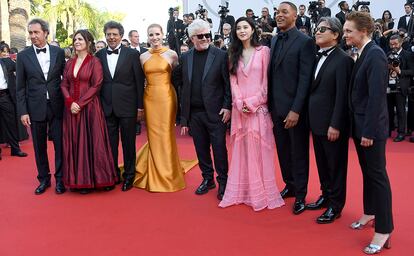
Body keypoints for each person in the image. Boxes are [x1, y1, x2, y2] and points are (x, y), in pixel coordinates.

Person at [218, 17, 284, 211]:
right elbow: (233, 82)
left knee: (260, 151)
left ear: (253, 29)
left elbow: (266, 83)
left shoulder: (264, 52)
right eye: (238, 28)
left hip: (258, 109)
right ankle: (242, 191)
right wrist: (239, 103)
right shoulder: (232, 53)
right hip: (240, 111)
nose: (241, 30)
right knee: (242, 150)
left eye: (245, 27)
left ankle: (261, 194)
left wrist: (252, 103)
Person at [344, 11, 393, 254]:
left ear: (363, 31)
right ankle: (370, 212)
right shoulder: (363, 53)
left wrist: (369, 131)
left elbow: (376, 98)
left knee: (377, 177)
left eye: (348, 31)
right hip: (360, 125)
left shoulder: (375, 55)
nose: (345, 35)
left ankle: (384, 229)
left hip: (370, 128)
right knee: (367, 173)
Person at [132, 24, 197, 192]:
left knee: (166, 133)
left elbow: (178, 77)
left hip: (167, 97)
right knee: (153, 134)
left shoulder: (172, 54)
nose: (154, 37)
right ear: (147, 37)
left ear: (162, 35)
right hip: (149, 98)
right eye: (151, 34)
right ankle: (153, 170)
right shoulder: (143, 57)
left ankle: (168, 172)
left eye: (157, 34)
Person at [173, 19, 231, 200]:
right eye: (201, 36)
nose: (206, 38)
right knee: (201, 149)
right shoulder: (185, 57)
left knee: (219, 148)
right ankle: (208, 179)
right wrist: (184, 116)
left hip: (215, 112)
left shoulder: (221, 55)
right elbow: (178, 83)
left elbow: (228, 84)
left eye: (208, 35)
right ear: (192, 38)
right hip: (195, 113)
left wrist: (227, 106)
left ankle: (223, 182)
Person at [268, 2, 316, 214]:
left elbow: (305, 79)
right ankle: (290, 184)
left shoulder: (305, 42)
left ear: (295, 16)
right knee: (283, 151)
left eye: (284, 12)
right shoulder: (275, 39)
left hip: (294, 111)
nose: (279, 15)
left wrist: (296, 110)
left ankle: (301, 194)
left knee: (298, 153)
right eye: (277, 12)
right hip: (276, 108)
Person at [307, 17, 353, 224]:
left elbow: (342, 96)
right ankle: (325, 196)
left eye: (322, 29)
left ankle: (336, 205)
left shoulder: (343, 60)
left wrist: (336, 124)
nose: (317, 32)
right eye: (317, 29)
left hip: (332, 125)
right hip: (316, 122)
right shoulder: (317, 57)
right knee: (323, 164)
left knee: (336, 166)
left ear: (335, 34)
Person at [60, 29, 118, 194]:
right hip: (71, 109)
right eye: (75, 39)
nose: (76, 42)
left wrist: (80, 103)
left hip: (90, 108)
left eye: (80, 39)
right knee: (76, 142)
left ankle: (100, 179)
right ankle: (81, 180)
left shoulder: (95, 62)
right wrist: (70, 102)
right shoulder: (69, 63)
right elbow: (64, 84)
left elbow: (97, 85)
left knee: (93, 142)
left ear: (88, 42)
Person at [16, 18, 66, 195]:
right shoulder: (23, 56)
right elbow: (20, 87)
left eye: (36, 32)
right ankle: (44, 179)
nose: (33, 36)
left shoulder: (58, 52)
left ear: (45, 32)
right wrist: (23, 111)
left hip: (57, 105)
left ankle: (61, 179)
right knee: (39, 146)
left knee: (60, 145)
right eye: (30, 33)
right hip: (35, 107)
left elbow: (65, 80)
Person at [95, 21, 145, 192]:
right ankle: (112, 174)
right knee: (110, 144)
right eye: (108, 34)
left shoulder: (132, 54)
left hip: (128, 107)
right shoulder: (99, 55)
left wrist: (140, 107)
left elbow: (139, 82)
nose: (111, 37)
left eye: (115, 34)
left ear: (121, 36)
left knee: (128, 143)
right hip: (106, 107)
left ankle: (129, 176)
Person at [0, 42, 28, 160]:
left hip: (4, 96)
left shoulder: (6, 62)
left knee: (11, 122)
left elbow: (22, 68)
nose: (5, 53)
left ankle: (15, 149)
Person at [387, 34, 414, 142]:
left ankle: (401, 133)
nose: (393, 46)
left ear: (401, 43)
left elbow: (412, 71)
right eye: (391, 44)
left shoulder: (408, 55)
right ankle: (388, 129)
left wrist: (400, 71)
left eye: (395, 44)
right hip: (388, 86)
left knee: (400, 110)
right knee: (388, 110)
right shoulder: (388, 54)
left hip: (401, 87)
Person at [128, 29, 147, 135]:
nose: (137, 38)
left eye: (138, 36)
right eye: (135, 36)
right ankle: (137, 125)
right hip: (132, 81)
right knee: (135, 103)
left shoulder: (145, 50)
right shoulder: (126, 51)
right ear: (130, 38)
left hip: (145, 80)